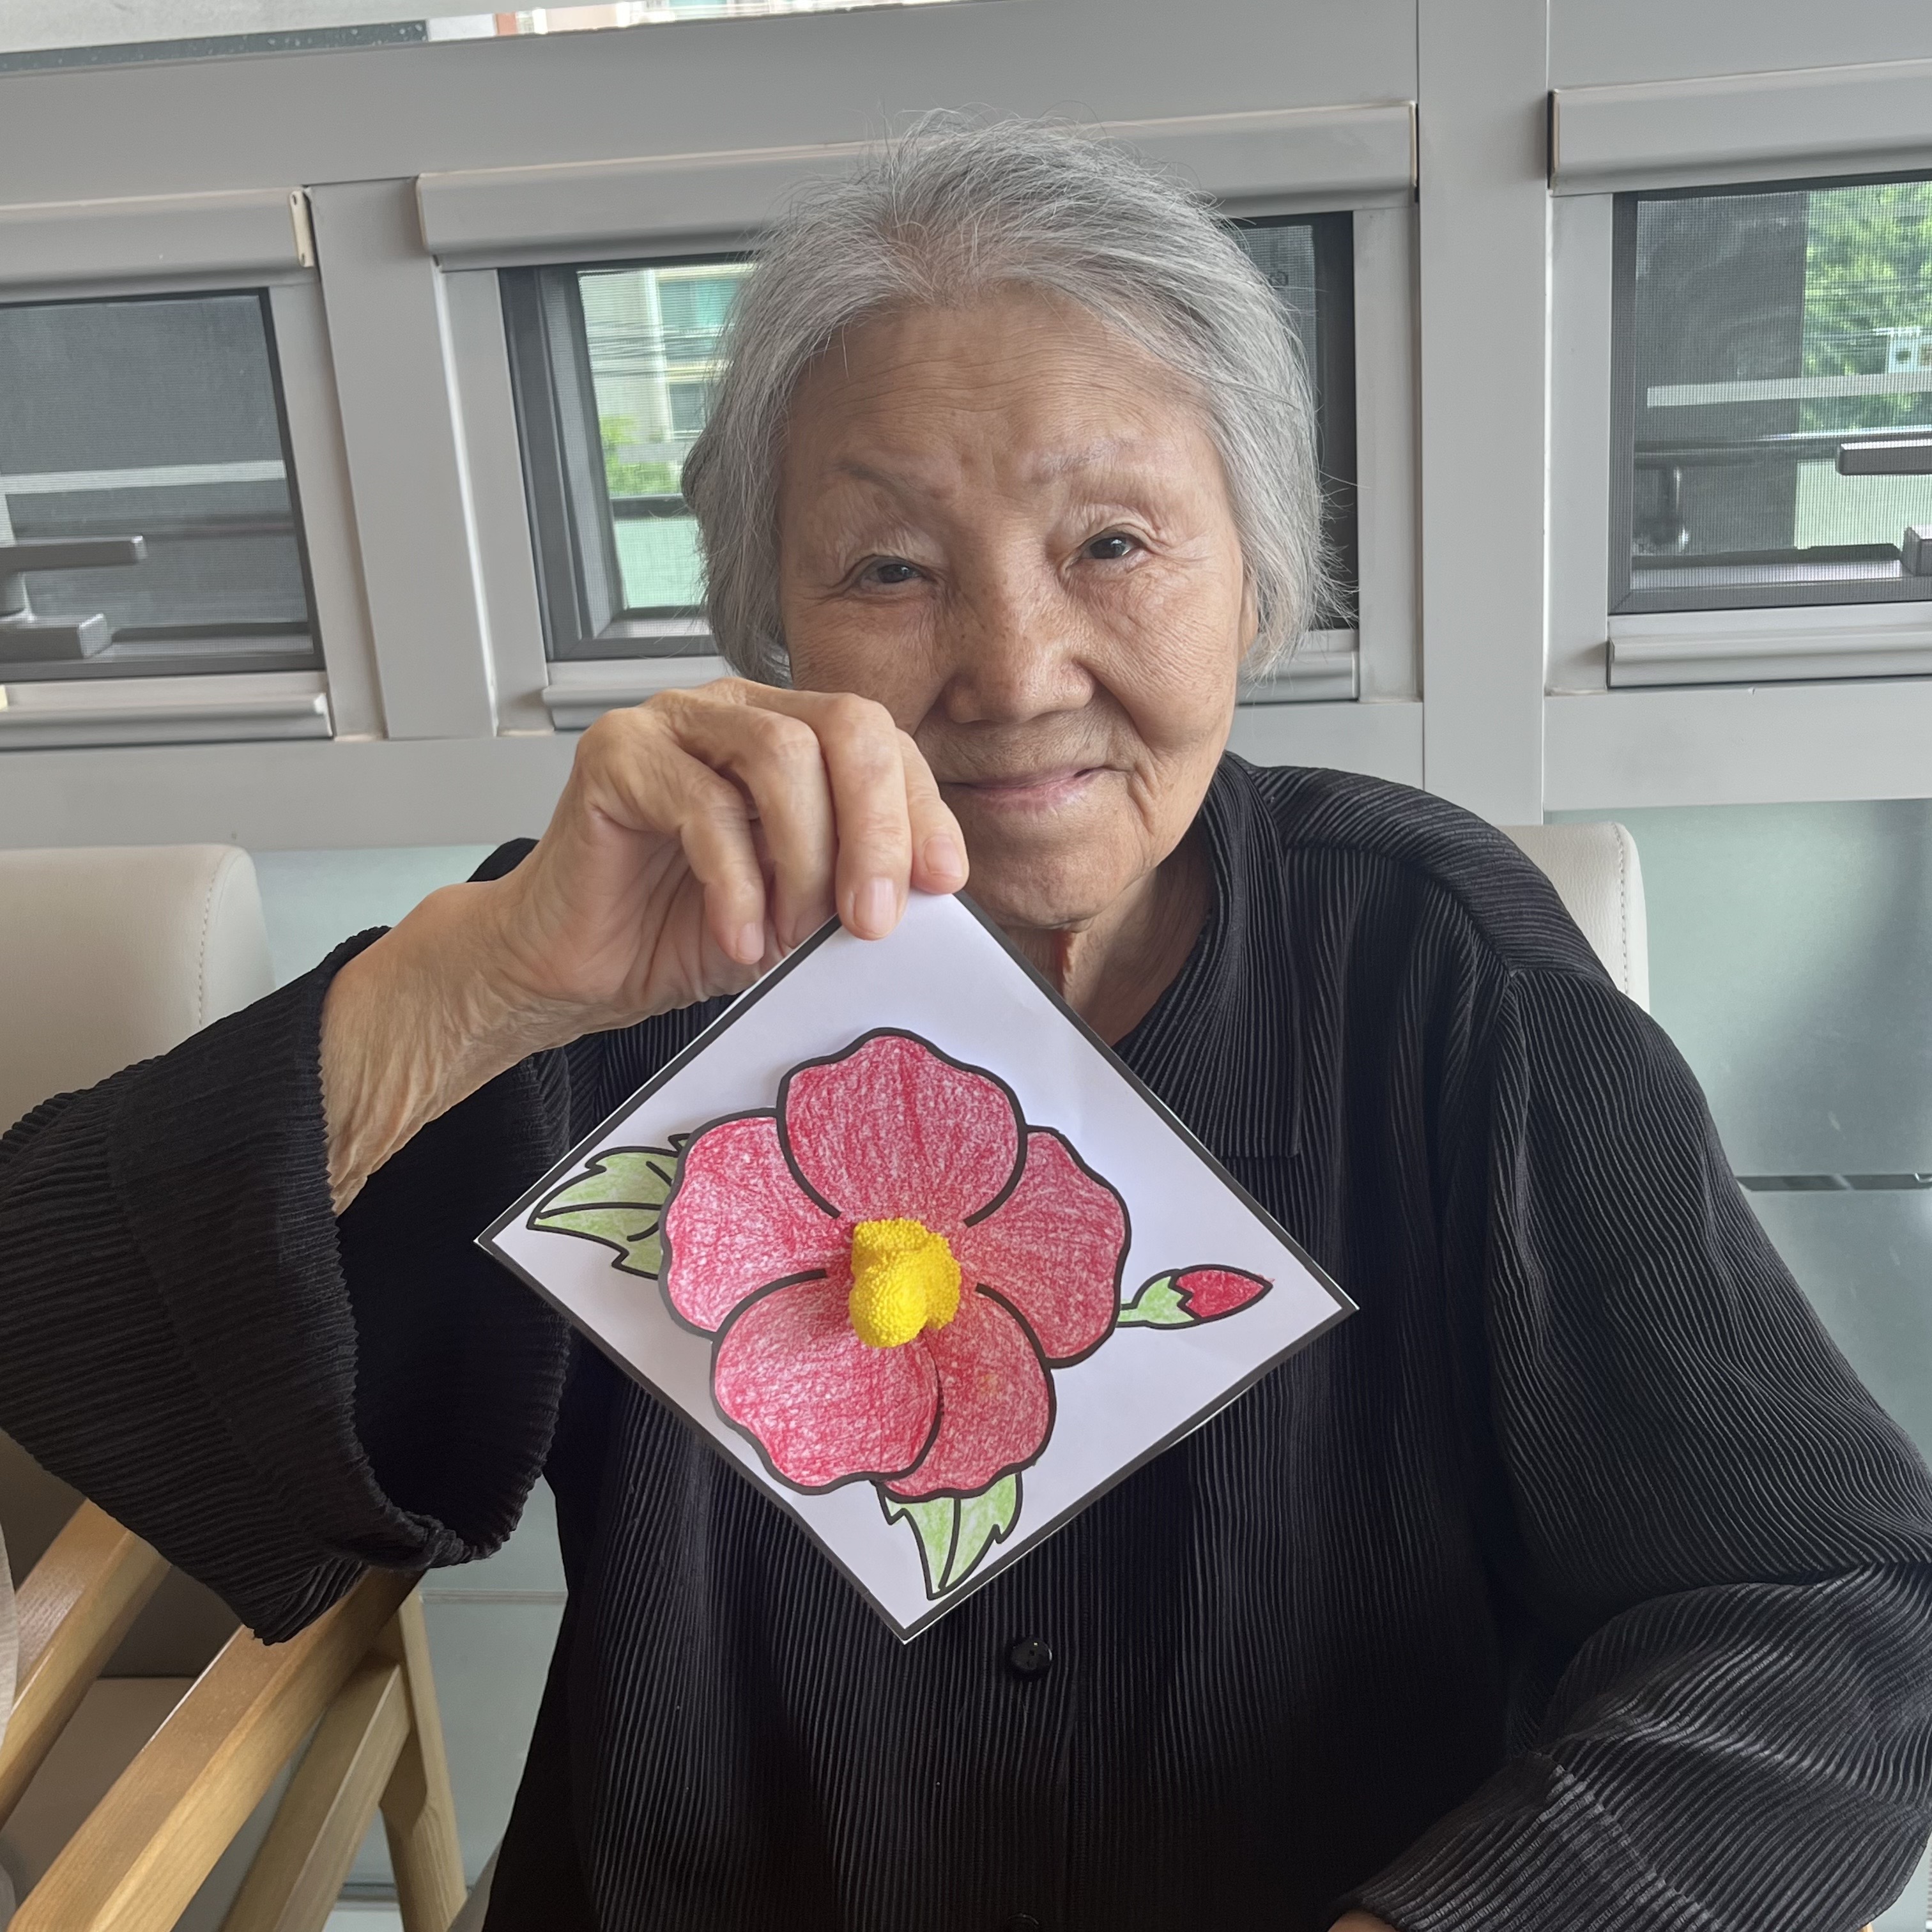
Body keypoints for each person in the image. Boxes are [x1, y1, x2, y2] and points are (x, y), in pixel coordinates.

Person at [3, 118, 1931, 1932]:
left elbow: (1836, 1619)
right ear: (771, 619)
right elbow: (65, 1325)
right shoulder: (632, 940)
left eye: (1113, 544)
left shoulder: (1439, 968)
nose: (1012, 672)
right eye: (890, 568)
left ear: (1258, 581)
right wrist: (476, 989)